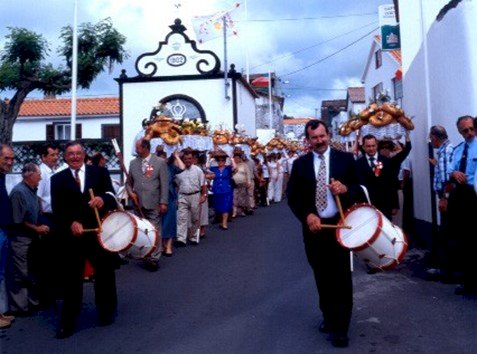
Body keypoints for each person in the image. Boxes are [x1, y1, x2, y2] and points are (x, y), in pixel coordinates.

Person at [287, 120, 364, 348]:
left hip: (340, 228)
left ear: (328, 134)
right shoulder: (300, 165)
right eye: (314, 138)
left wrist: (346, 189)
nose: (319, 141)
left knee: (341, 276)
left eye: (322, 136)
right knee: (322, 275)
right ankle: (329, 316)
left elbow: (362, 189)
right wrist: (307, 215)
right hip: (315, 229)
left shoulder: (346, 160)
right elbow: (294, 196)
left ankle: (341, 327)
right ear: (308, 140)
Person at [51, 141, 119, 338]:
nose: (74, 157)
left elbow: (111, 194)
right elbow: (58, 209)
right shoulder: (57, 179)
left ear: (84, 154)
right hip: (73, 236)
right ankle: (69, 322)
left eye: (78, 153)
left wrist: (102, 200)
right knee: (71, 279)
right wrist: (71, 223)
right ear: (65, 157)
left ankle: (106, 312)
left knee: (104, 273)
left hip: (98, 233)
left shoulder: (99, 172)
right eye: (70, 154)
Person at [8, 163, 50, 315]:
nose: (40, 177)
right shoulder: (19, 193)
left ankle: (31, 303)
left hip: (31, 238)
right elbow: (17, 220)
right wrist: (36, 228)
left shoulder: (32, 191)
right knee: (20, 273)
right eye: (38, 174)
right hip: (21, 239)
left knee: (31, 271)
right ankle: (20, 307)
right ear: (30, 175)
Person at [447, 115, 477, 295]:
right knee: (463, 240)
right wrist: (454, 173)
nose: (469, 133)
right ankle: (468, 282)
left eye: (471, 128)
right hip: (461, 196)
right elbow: (450, 169)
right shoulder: (458, 150)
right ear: (459, 132)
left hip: (475, 195)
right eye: (465, 130)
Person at [128, 138, 169, 271]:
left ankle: (154, 257)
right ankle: (144, 254)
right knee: (142, 231)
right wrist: (130, 192)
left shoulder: (160, 162)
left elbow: (164, 184)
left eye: (138, 148)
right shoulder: (133, 163)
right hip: (138, 204)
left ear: (146, 148)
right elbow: (128, 183)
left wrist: (163, 202)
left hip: (154, 203)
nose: (136, 150)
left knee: (154, 230)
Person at [355, 133, 411, 220]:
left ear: (377, 145)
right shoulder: (357, 164)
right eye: (368, 146)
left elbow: (392, 183)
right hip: (366, 206)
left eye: (373, 146)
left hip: (385, 205)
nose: (371, 148)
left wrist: (394, 204)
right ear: (363, 147)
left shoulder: (387, 161)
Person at [427, 126, 456, 281]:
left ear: (435, 137)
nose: (431, 142)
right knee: (447, 234)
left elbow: (447, 179)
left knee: (446, 235)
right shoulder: (448, 150)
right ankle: (447, 269)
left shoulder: (445, 151)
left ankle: (447, 272)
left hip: (447, 198)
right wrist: (436, 164)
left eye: (431, 138)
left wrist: (444, 198)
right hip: (447, 197)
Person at [36, 143, 62, 307]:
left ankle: (54, 291)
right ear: (43, 157)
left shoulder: (52, 171)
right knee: (47, 258)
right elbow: (38, 198)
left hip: (54, 217)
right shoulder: (42, 173)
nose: (55, 157)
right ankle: (47, 295)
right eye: (52, 155)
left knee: (55, 257)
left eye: (56, 154)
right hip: (46, 217)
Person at [174, 148, 207, 247]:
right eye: (185, 159)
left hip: (195, 196)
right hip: (182, 196)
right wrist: (176, 198)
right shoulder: (179, 171)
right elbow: (176, 185)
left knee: (195, 218)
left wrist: (203, 195)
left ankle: (193, 237)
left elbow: (203, 184)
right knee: (181, 218)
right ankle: (181, 239)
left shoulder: (198, 170)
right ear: (183, 159)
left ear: (192, 159)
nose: (188, 161)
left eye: (189, 158)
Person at [156, 149, 185, 256]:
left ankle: (168, 246)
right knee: (161, 223)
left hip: (170, 198)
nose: (164, 158)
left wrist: (176, 156)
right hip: (157, 198)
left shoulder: (171, 167)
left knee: (171, 222)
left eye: (166, 156)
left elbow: (182, 168)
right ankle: (163, 244)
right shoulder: (154, 167)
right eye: (162, 156)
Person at [0, 144, 15, 328]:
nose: (10, 162)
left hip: (3, 230)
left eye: (12, 159)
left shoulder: (2, 177)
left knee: (1, 274)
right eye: (6, 158)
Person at [209, 150, 236, 230]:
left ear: (225, 161)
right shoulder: (214, 169)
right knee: (218, 206)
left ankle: (224, 223)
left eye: (223, 160)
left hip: (226, 190)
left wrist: (232, 159)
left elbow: (235, 168)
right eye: (219, 160)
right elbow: (206, 168)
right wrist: (210, 158)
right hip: (216, 190)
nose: (221, 162)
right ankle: (221, 221)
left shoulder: (228, 168)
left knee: (225, 206)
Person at [231, 149, 252, 217]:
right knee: (234, 198)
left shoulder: (244, 165)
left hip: (242, 183)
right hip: (234, 184)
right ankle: (234, 212)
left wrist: (249, 182)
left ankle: (242, 211)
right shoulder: (232, 166)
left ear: (240, 158)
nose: (236, 159)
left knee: (242, 198)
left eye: (238, 158)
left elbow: (248, 174)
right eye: (235, 158)